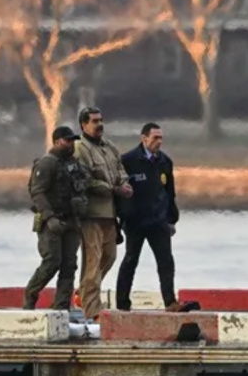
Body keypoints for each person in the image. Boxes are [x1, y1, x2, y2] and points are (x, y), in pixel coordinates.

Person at [115, 123, 184, 312]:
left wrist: (171, 218)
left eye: (161, 138)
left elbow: (170, 192)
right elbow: (119, 192)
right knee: (130, 261)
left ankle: (170, 302)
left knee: (166, 262)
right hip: (135, 222)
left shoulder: (165, 162)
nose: (159, 142)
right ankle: (122, 303)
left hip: (158, 221)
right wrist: (121, 218)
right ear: (144, 139)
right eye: (155, 138)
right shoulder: (128, 160)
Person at [74, 106, 132, 320]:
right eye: (94, 121)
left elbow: (121, 171)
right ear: (84, 125)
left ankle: (83, 293)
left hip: (110, 213)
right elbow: (86, 180)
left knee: (109, 256)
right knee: (92, 260)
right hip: (91, 213)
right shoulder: (80, 148)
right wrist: (113, 188)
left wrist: (124, 184)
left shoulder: (109, 147)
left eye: (101, 120)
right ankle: (92, 311)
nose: (99, 124)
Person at [23, 126, 91, 310]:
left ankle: (61, 307)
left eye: (72, 141)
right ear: (57, 141)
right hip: (52, 221)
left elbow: (84, 182)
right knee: (52, 262)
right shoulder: (46, 163)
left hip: (72, 220)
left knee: (69, 265)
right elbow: (37, 192)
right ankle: (31, 293)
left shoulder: (73, 163)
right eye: (67, 141)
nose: (71, 144)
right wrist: (50, 218)